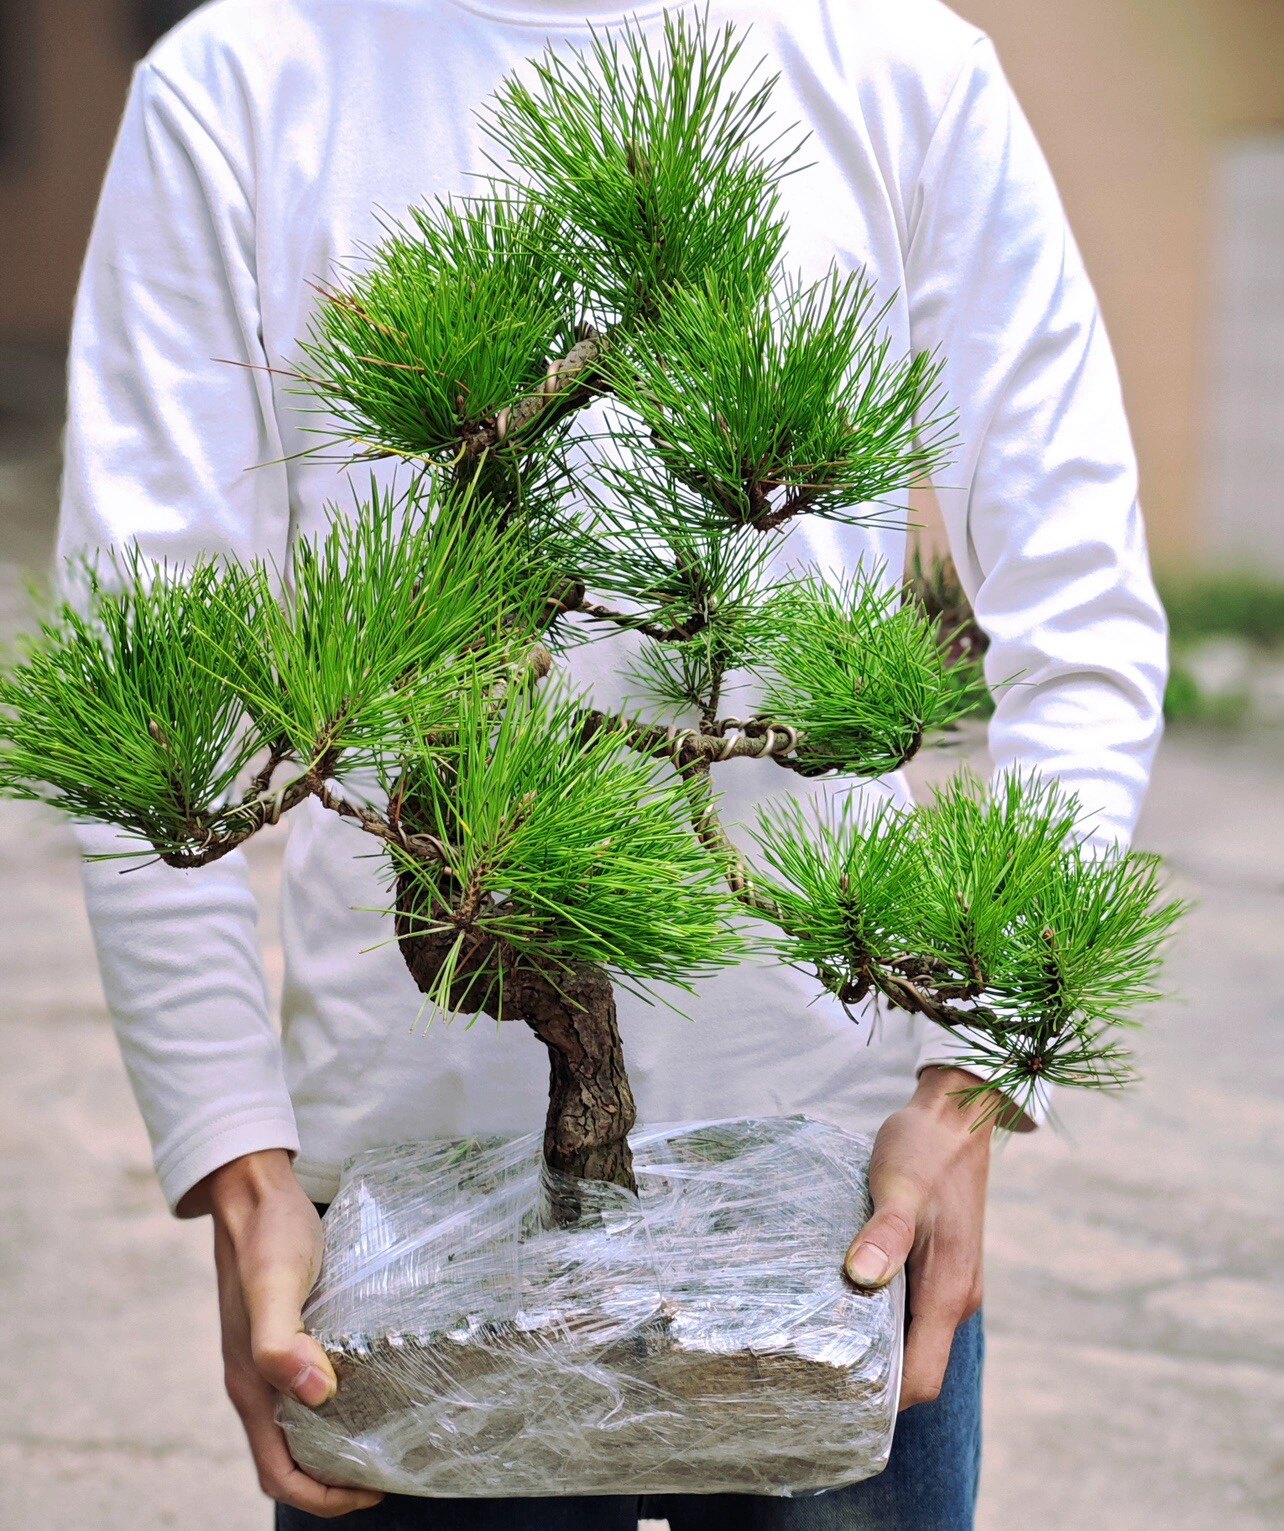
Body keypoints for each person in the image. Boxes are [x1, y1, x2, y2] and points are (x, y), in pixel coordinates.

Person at [57, 1, 1168, 1526]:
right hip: (408, 1208)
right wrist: (238, 1168)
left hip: (845, 1195)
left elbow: (1084, 609)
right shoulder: (240, 84)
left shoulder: (901, 68)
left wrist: (975, 1072)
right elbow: (145, 678)